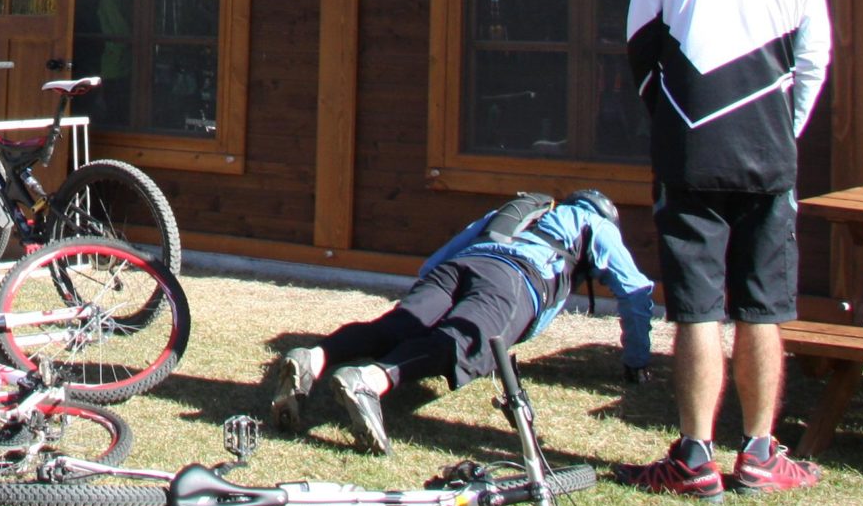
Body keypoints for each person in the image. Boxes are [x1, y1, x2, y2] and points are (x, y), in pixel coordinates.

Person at [612, 0, 831, 499]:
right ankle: (761, 452)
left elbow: (641, 48)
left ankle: (695, 455)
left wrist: (674, 124)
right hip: (769, 149)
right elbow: (814, 58)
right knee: (763, 305)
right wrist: (780, 129)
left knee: (699, 306)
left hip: (690, 147)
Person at [265, 189, 654, 453]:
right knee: (462, 342)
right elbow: (635, 292)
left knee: (397, 326)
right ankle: (370, 381)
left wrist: (427, 297)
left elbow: (439, 258)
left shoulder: (522, 211)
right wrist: (636, 362)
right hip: (518, 279)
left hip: (461, 264)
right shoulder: (595, 224)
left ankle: (314, 358)